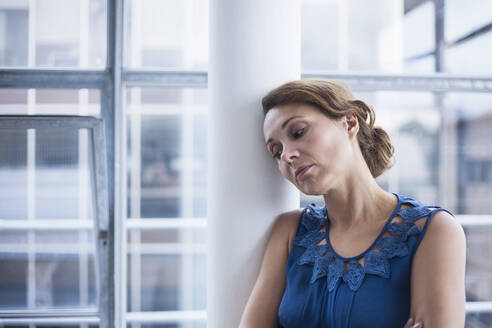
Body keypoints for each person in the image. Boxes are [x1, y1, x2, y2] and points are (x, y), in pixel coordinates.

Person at [239, 79, 466, 328]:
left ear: (349, 123)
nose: (287, 155)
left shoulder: (432, 231)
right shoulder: (289, 231)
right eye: (276, 151)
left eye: (298, 132)